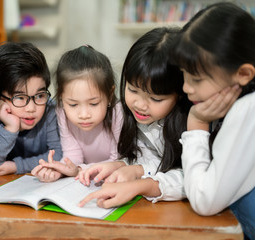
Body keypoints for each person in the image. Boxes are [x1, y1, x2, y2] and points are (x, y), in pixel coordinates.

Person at [79, 27, 192, 208]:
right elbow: (152, 158)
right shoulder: (132, 115)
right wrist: (121, 166)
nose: (140, 104)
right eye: (132, 89)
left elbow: (194, 179)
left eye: (155, 98)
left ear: (180, 93)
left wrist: (141, 183)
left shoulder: (191, 123)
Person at [170, 2, 255, 239]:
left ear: (244, 74)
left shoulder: (246, 110)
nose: (186, 88)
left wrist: (196, 123)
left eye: (196, 79)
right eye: (183, 75)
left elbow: (204, 201)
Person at [31, 45, 123, 182]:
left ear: (110, 95)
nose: (84, 114)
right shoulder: (62, 112)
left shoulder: (117, 113)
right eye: (73, 104)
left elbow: (119, 161)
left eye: (93, 104)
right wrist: (60, 169)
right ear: (61, 97)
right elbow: (72, 154)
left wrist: (79, 170)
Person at [0, 42, 62, 176]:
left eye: (39, 95)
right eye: (20, 97)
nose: (31, 108)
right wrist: (10, 128)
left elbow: (60, 155)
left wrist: (17, 166)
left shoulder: (49, 110)